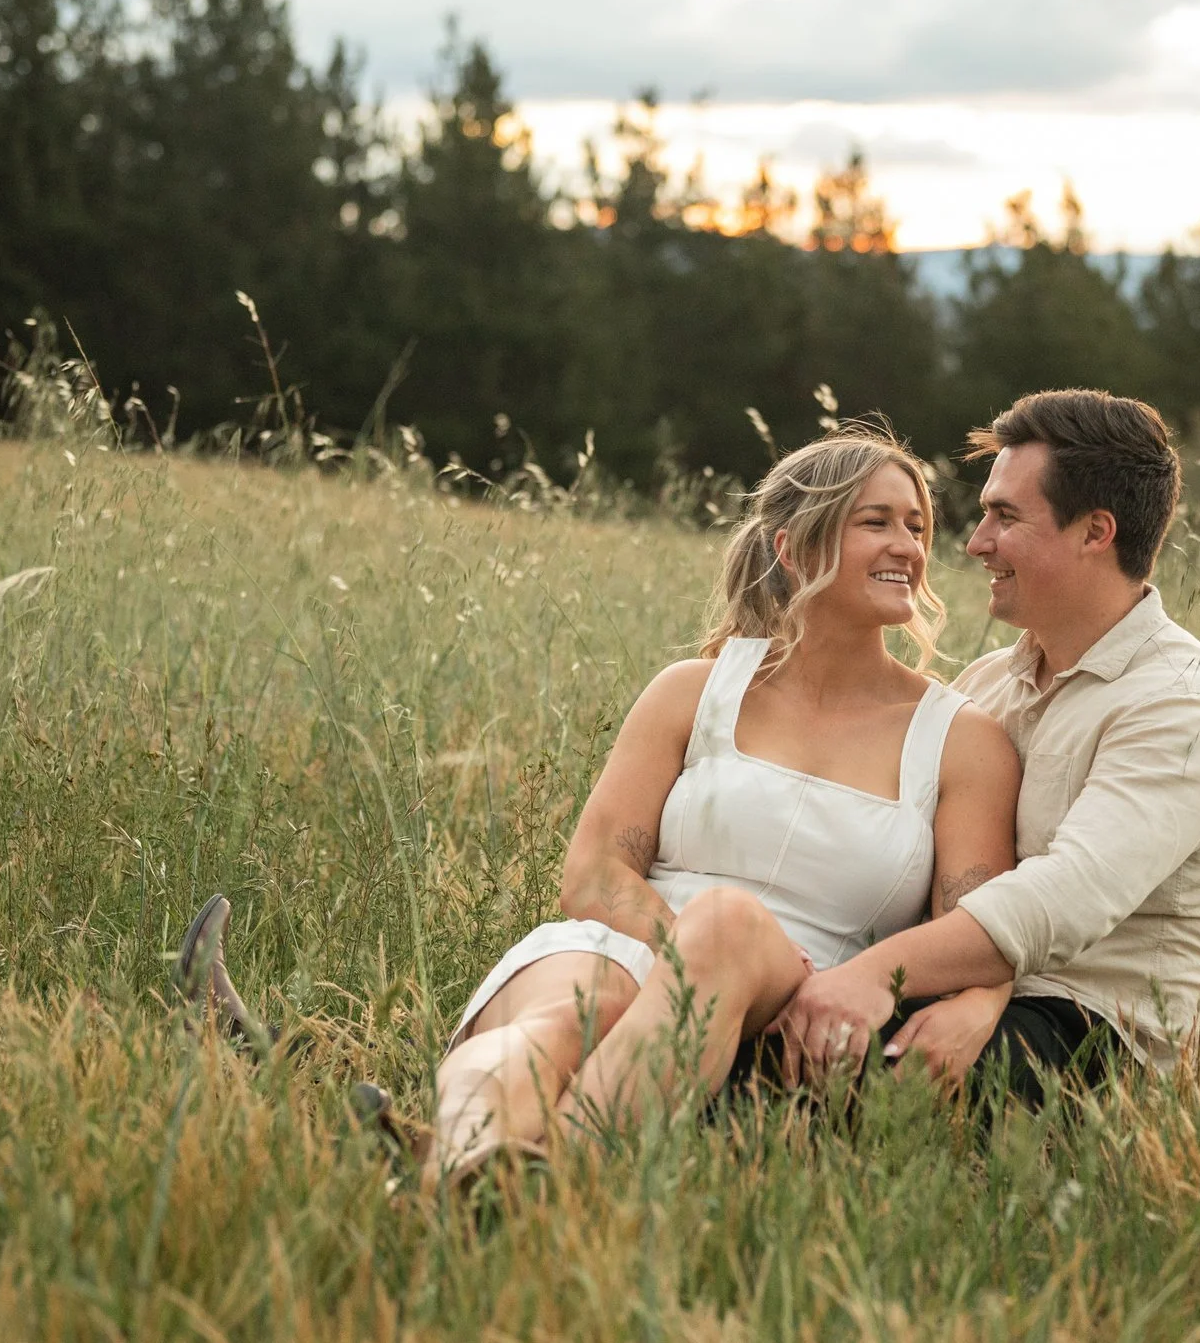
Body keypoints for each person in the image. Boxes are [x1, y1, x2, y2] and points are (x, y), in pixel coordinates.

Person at [180, 426, 1021, 1187]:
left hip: (796, 984)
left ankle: (472, 1169)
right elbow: (593, 872)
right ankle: (477, 1179)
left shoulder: (959, 739)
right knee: (559, 1022)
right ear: (794, 546)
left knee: (727, 923)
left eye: (917, 525)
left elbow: (975, 932)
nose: (909, 546)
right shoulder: (695, 691)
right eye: (878, 521)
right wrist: (680, 967)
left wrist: (976, 1005)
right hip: (627, 940)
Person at [772, 389, 1200, 1105]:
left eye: (1005, 516)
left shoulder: (1188, 706)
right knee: (759, 1035)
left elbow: (1063, 899)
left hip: (1100, 1039)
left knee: (819, 1085)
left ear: (1096, 531)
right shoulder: (988, 685)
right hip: (979, 994)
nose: (974, 543)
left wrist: (872, 976)